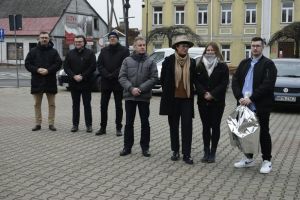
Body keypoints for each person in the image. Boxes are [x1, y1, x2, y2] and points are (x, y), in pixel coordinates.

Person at [232, 37, 277, 174]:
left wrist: (251, 98)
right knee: (246, 133)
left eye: (258, 46)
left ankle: (267, 161)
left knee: (263, 133)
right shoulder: (244, 63)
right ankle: (248, 158)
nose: (255, 48)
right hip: (243, 105)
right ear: (250, 47)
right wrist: (239, 97)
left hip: (260, 105)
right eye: (253, 46)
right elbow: (235, 81)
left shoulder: (268, 64)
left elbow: (267, 85)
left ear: (262, 47)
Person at [159, 35, 196, 165]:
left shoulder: (192, 62)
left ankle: (187, 154)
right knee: (173, 127)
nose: (185, 48)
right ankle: (175, 151)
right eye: (183, 46)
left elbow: (194, 81)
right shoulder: (168, 61)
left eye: (187, 46)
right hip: (173, 99)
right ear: (177, 47)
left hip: (186, 99)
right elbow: (163, 80)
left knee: (187, 127)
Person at [118, 36, 158, 157]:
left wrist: (140, 89)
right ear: (134, 47)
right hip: (130, 96)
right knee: (129, 123)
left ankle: (145, 148)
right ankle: (127, 147)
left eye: (143, 45)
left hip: (144, 97)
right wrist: (131, 88)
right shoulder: (127, 61)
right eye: (139, 45)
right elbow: (122, 77)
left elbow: (154, 78)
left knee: (145, 123)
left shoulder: (151, 61)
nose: (142, 47)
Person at [194, 42, 229, 163]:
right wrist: (204, 93)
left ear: (216, 52)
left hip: (217, 102)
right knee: (205, 127)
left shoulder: (222, 66)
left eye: (212, 50)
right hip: (202, 101)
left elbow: (224, 83)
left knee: (215, 126)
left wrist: (212, 94)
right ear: (205, 51)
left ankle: (213, 152)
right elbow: (196, 82)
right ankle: (206, 152)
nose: (209, 52)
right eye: (207, 50)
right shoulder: (199, 64)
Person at [25, 32, 62, 131]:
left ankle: (51, 124)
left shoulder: (54, 52)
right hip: (37, 81)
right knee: (37, 104)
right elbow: (27, 64)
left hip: (50, 81)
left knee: (52, 104)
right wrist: (37, 70)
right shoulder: (33, 51)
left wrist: (48, 70)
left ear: (49, 39)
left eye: (46, 37)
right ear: (39, 39)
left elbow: (58, 64)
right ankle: (38, 123)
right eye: (42, 38)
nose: (44, 39)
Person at [96, 31, 130, 136]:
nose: (112, 39)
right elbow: (100, 65)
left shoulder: (124, 51)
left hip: (118, 82)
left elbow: (125, 65)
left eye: (114, 37)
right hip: (106, 82)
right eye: (110, 37)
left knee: (118, 106)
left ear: (117, 39)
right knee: (103, 106)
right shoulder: (104, 50)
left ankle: (118, 128)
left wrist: (114, 74)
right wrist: (106, 74)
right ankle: (102, 127)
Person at [64, 35, 96, 133]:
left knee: (87, 105)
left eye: (80, 41)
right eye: (76, 41)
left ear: (84, 42)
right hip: (74, 83)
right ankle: (75, 125)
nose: (78, 43)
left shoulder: (90, 53)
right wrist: (74, 76)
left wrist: (82, 76)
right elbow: (66, 67)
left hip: (86, 83)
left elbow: (92, 67)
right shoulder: (70, 53)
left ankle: (89, 125)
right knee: (75, 105)